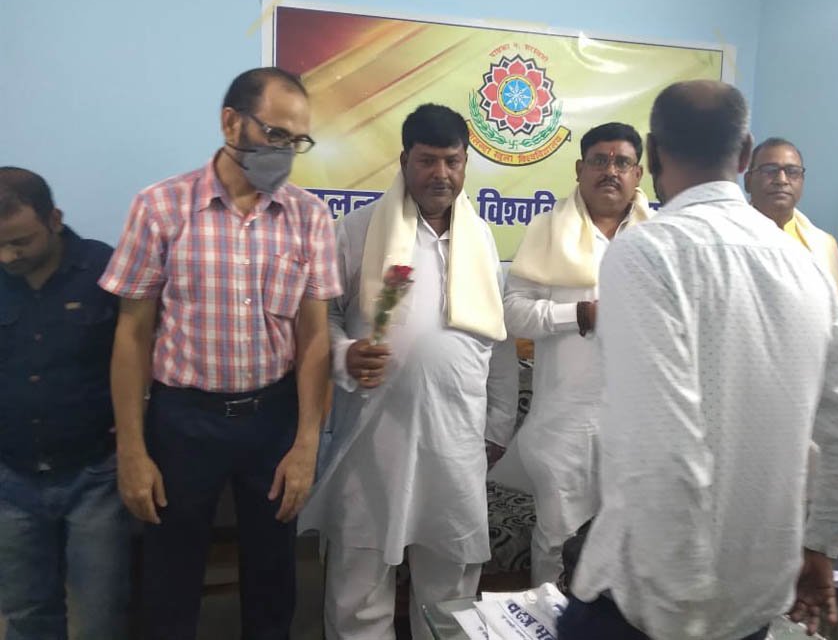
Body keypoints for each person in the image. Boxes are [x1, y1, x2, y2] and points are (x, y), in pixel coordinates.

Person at [559, 80, 838, 640]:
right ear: (744, 154)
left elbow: (664, 444)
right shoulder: (804, 264)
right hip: (754, 597)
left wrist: (683, 604)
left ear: (652, 152)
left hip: (651, 605)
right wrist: (821, 545)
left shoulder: (646, 253)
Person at [99, 67, 339, 640]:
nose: (285, 153)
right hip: (183, 420)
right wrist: (131, 449)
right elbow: (132, 334)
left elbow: (315, 338)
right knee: (170, 575)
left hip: (273, 418)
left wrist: (307, 445)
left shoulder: (309, 215)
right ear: (231, 122)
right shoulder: (160, 207)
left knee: (274, 575)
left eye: (298, 141)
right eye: (275, 134)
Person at [299, 103, 514, 640]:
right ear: (403, 161)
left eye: (452, 161)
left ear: (465, 164)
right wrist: (344, 353)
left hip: (456, 439)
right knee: (359, 588)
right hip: (374, 437)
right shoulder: (356, 230)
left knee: (452, 590)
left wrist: (498, 426)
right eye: (427, 160)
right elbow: (320, 317)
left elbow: (499, 339)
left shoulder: (482, 239)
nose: (441, 174)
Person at [503, 121, 651, 584]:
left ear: (638, 173)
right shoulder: (547, 230)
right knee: (557, 541)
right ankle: (548, 619)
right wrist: (580, 315)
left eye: (622, 162)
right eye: (599, 160)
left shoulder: (660, 237)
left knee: (633, 545)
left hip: (641, 426)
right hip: (564, 423)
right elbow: (513, 314)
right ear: (579, 168)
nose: (611, 171)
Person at [0, 168, 130, 639]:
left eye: (21, 242)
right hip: (11, 478)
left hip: (95, 476)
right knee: (25, 612)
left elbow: (140, 361)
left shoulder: (104, 270)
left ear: (54, 218)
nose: (7, 256)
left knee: (99, 615)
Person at [744, 136, 838, 327]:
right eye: (769, 170)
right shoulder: (729, 239)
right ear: (748, 181)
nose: (781, 180)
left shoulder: (826, 247)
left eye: (792, 172)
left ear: (802, 181)